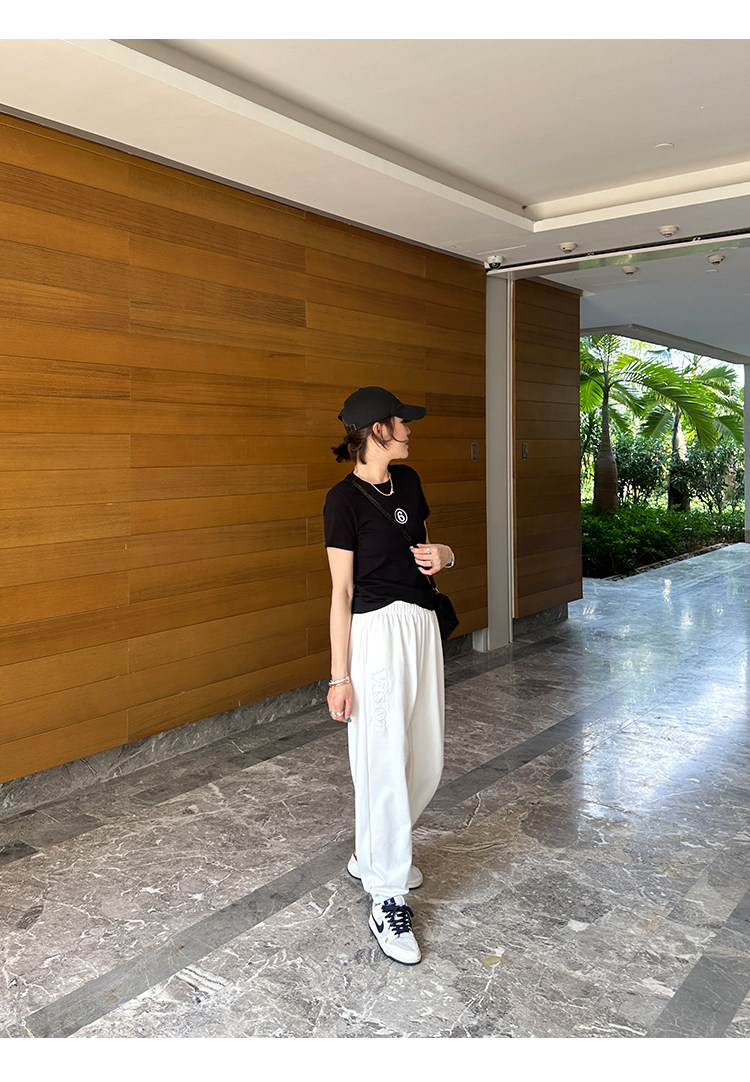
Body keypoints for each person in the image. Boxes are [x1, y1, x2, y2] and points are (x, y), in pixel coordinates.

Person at [323, 386, 455, 965]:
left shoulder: (410, 482)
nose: (409, 430)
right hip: (374, 634)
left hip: (421, 626)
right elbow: (341, 592)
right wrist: (340, 676)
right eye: (403, 422)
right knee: (381, 761)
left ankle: (372, 852)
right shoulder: (341, 501)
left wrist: (445, 555)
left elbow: (423, 552)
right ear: (378, 429)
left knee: (426, 759)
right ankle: (386, 895)